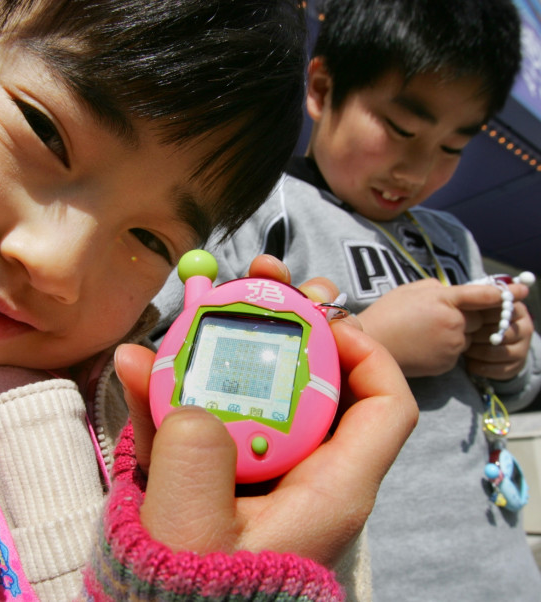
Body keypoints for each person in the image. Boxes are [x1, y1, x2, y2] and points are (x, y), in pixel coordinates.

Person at [0, 1, 419, 600]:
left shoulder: (154, 432)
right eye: (45, 130)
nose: (57, 266)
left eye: (151, 239)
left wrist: (255, 527)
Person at [154, 0, 541, 600]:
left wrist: (512, 357)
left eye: (451, 147)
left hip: (503, 568)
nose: (417, 168)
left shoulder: (452, 239)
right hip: (372, 575)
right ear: (322, 88)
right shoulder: (256, 206)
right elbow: (168, 366)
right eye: (402, 129)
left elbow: (515, 385)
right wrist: (371, 342)